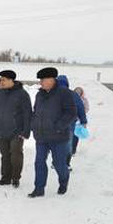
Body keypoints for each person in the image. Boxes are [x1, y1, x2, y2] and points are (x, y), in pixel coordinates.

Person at [28, 67, 77, 198]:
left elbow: (71, 113)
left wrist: (59, 126)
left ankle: (63, 181)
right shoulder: (39, 95)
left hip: (58, 137)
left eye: (42, 80)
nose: (40, 83)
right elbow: (36, 112)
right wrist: (34, 124)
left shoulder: (64, 93)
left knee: (59, 164)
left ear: (51, 79)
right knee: (39, 162)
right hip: (41, 136)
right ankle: (39, 188)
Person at [0, 70, 32, 188]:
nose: (1, 82)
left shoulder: (22, 94)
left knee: (16, 154)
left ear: (11, 81)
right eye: (1, 79)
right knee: (5, 155)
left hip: (16, 131)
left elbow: (28, 114)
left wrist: (26, 131)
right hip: (2, 130)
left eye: (4, 80)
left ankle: (16, 177)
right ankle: (5, 178)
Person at [57, 76, 87, 170]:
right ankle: (66, 163)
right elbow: (80, 107)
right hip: (70, 123)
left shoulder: (53, 93)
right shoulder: (73, 95)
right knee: (68, 144)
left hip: (55, 124)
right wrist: (83, 121)